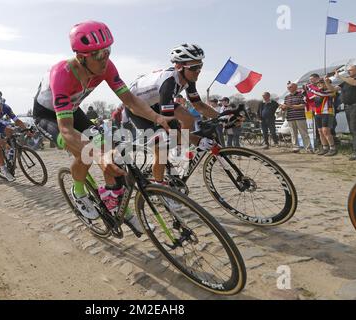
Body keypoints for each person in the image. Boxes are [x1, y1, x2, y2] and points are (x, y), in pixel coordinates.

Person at [32, 21, 172, 233]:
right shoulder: (61, 74)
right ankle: (78, 192)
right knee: (87, 152)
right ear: (81, 57)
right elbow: (67, 130)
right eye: (98, 55)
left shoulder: (106, 67)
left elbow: (130, 100)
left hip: (73, 108)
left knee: (108, 149)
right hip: (49, 116)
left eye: (107, 51)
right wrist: (97, 155)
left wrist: (157, 117)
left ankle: (119, 207)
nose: (105, 58)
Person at [125, 43, 221, 187]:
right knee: (161, 148)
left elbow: (199, 105)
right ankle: (160, 187)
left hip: (155, 102)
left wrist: (221, 117)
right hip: (137, 108)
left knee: (188, 118)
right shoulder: (168, 83)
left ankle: (179, 147)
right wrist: (196, 140)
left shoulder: (188, 79)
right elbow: (168, 123)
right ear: (179, 67)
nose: (198, 71)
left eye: (200, 66)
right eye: (194, 68)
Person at [0, 93, 32, 181]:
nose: (0, 109)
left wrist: (26, 130)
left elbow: (17, 121)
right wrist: (2, 143)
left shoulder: (5, 107)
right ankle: (4, 170)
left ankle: (9, 150)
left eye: (0, 105)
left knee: (9, 129)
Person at [326, 65, 356, 161]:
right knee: (353, 129)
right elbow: (333, 89)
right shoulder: (346, 81)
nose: (348, 72)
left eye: (350, 70)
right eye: (348, 70)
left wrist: (340, 76)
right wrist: (326, 82)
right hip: (348, 107)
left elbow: (355, 83)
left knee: (355, 129)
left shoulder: (355, 79)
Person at [281, 83, 312, 153]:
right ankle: (296, 148)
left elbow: (303, 105)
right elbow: (286, 106)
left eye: (290, 87)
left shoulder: (301, 95)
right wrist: (283, 108)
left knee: (304, 133)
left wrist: (291, 106)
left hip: (300, 117)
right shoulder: (286, 97)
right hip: (290, 117)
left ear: (295, 87)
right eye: (288, 87)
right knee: (293, 134)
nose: (288, 88)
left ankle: (308, 148)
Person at [311, 79, 337, 156]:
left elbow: (331, 95)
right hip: (317, 113)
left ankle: (332, 148)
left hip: (327, 113)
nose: (319, 84)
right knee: (320, 131)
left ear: (326, 84)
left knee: (326, 131)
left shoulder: (330, 91)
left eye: (321, 83)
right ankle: (325, 148)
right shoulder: (316, 93)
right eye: (318, 83)